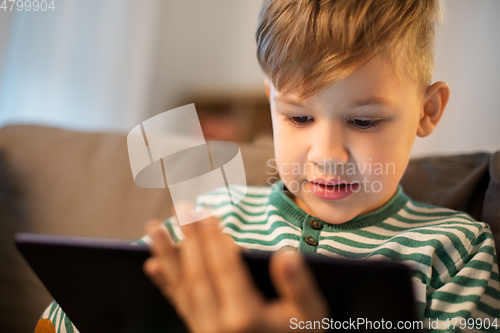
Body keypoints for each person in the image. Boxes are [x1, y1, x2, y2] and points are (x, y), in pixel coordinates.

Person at [35, 0, 500, 332]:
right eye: (299, 117)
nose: (326, 155)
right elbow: (67, 316)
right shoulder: (211, 223)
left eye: (363, 120)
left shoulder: (457, 251)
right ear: (271, 104)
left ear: (428, 110)